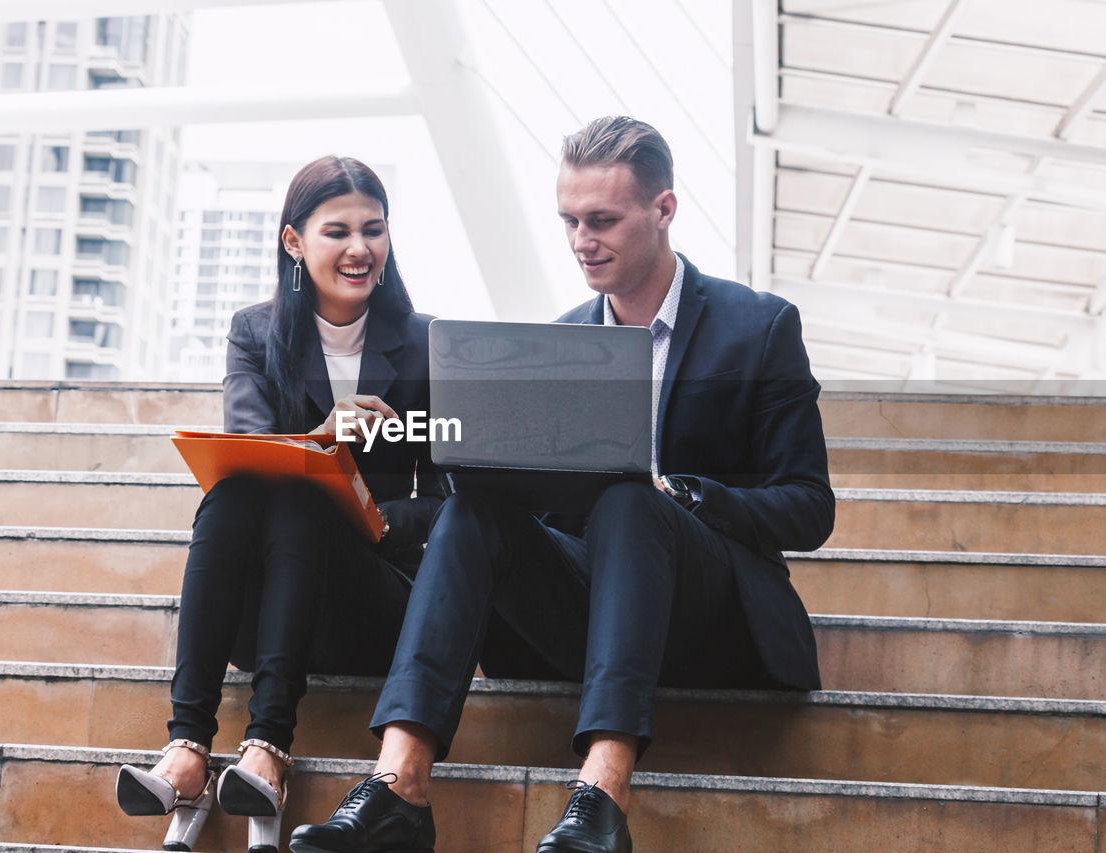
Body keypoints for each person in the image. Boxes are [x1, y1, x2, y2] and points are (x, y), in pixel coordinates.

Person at [289, 117, 835, 853]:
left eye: (603, 220)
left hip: (713, 613)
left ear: (664, 210)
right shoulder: (558, 341)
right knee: (472, 510)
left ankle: (603, 791)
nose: (582, 239)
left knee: (631, 499)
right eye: (570, 221)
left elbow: (809, 506)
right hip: (592, 607)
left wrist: (686, 493)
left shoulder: (759, 327)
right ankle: (398, 785)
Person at [114, 155, 445, 853]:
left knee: (302, 494)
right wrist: (324, 439)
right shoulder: (257, 332)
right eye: (337, 231)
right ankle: (190, 744)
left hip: (366, 598)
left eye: (374, 229)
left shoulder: (423, 344)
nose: (360, 248)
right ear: (294, 242)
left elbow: (449, 503)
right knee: (243, 490)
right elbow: (246, 446)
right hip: (261, 606)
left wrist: (374, 518)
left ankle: (266, 742)